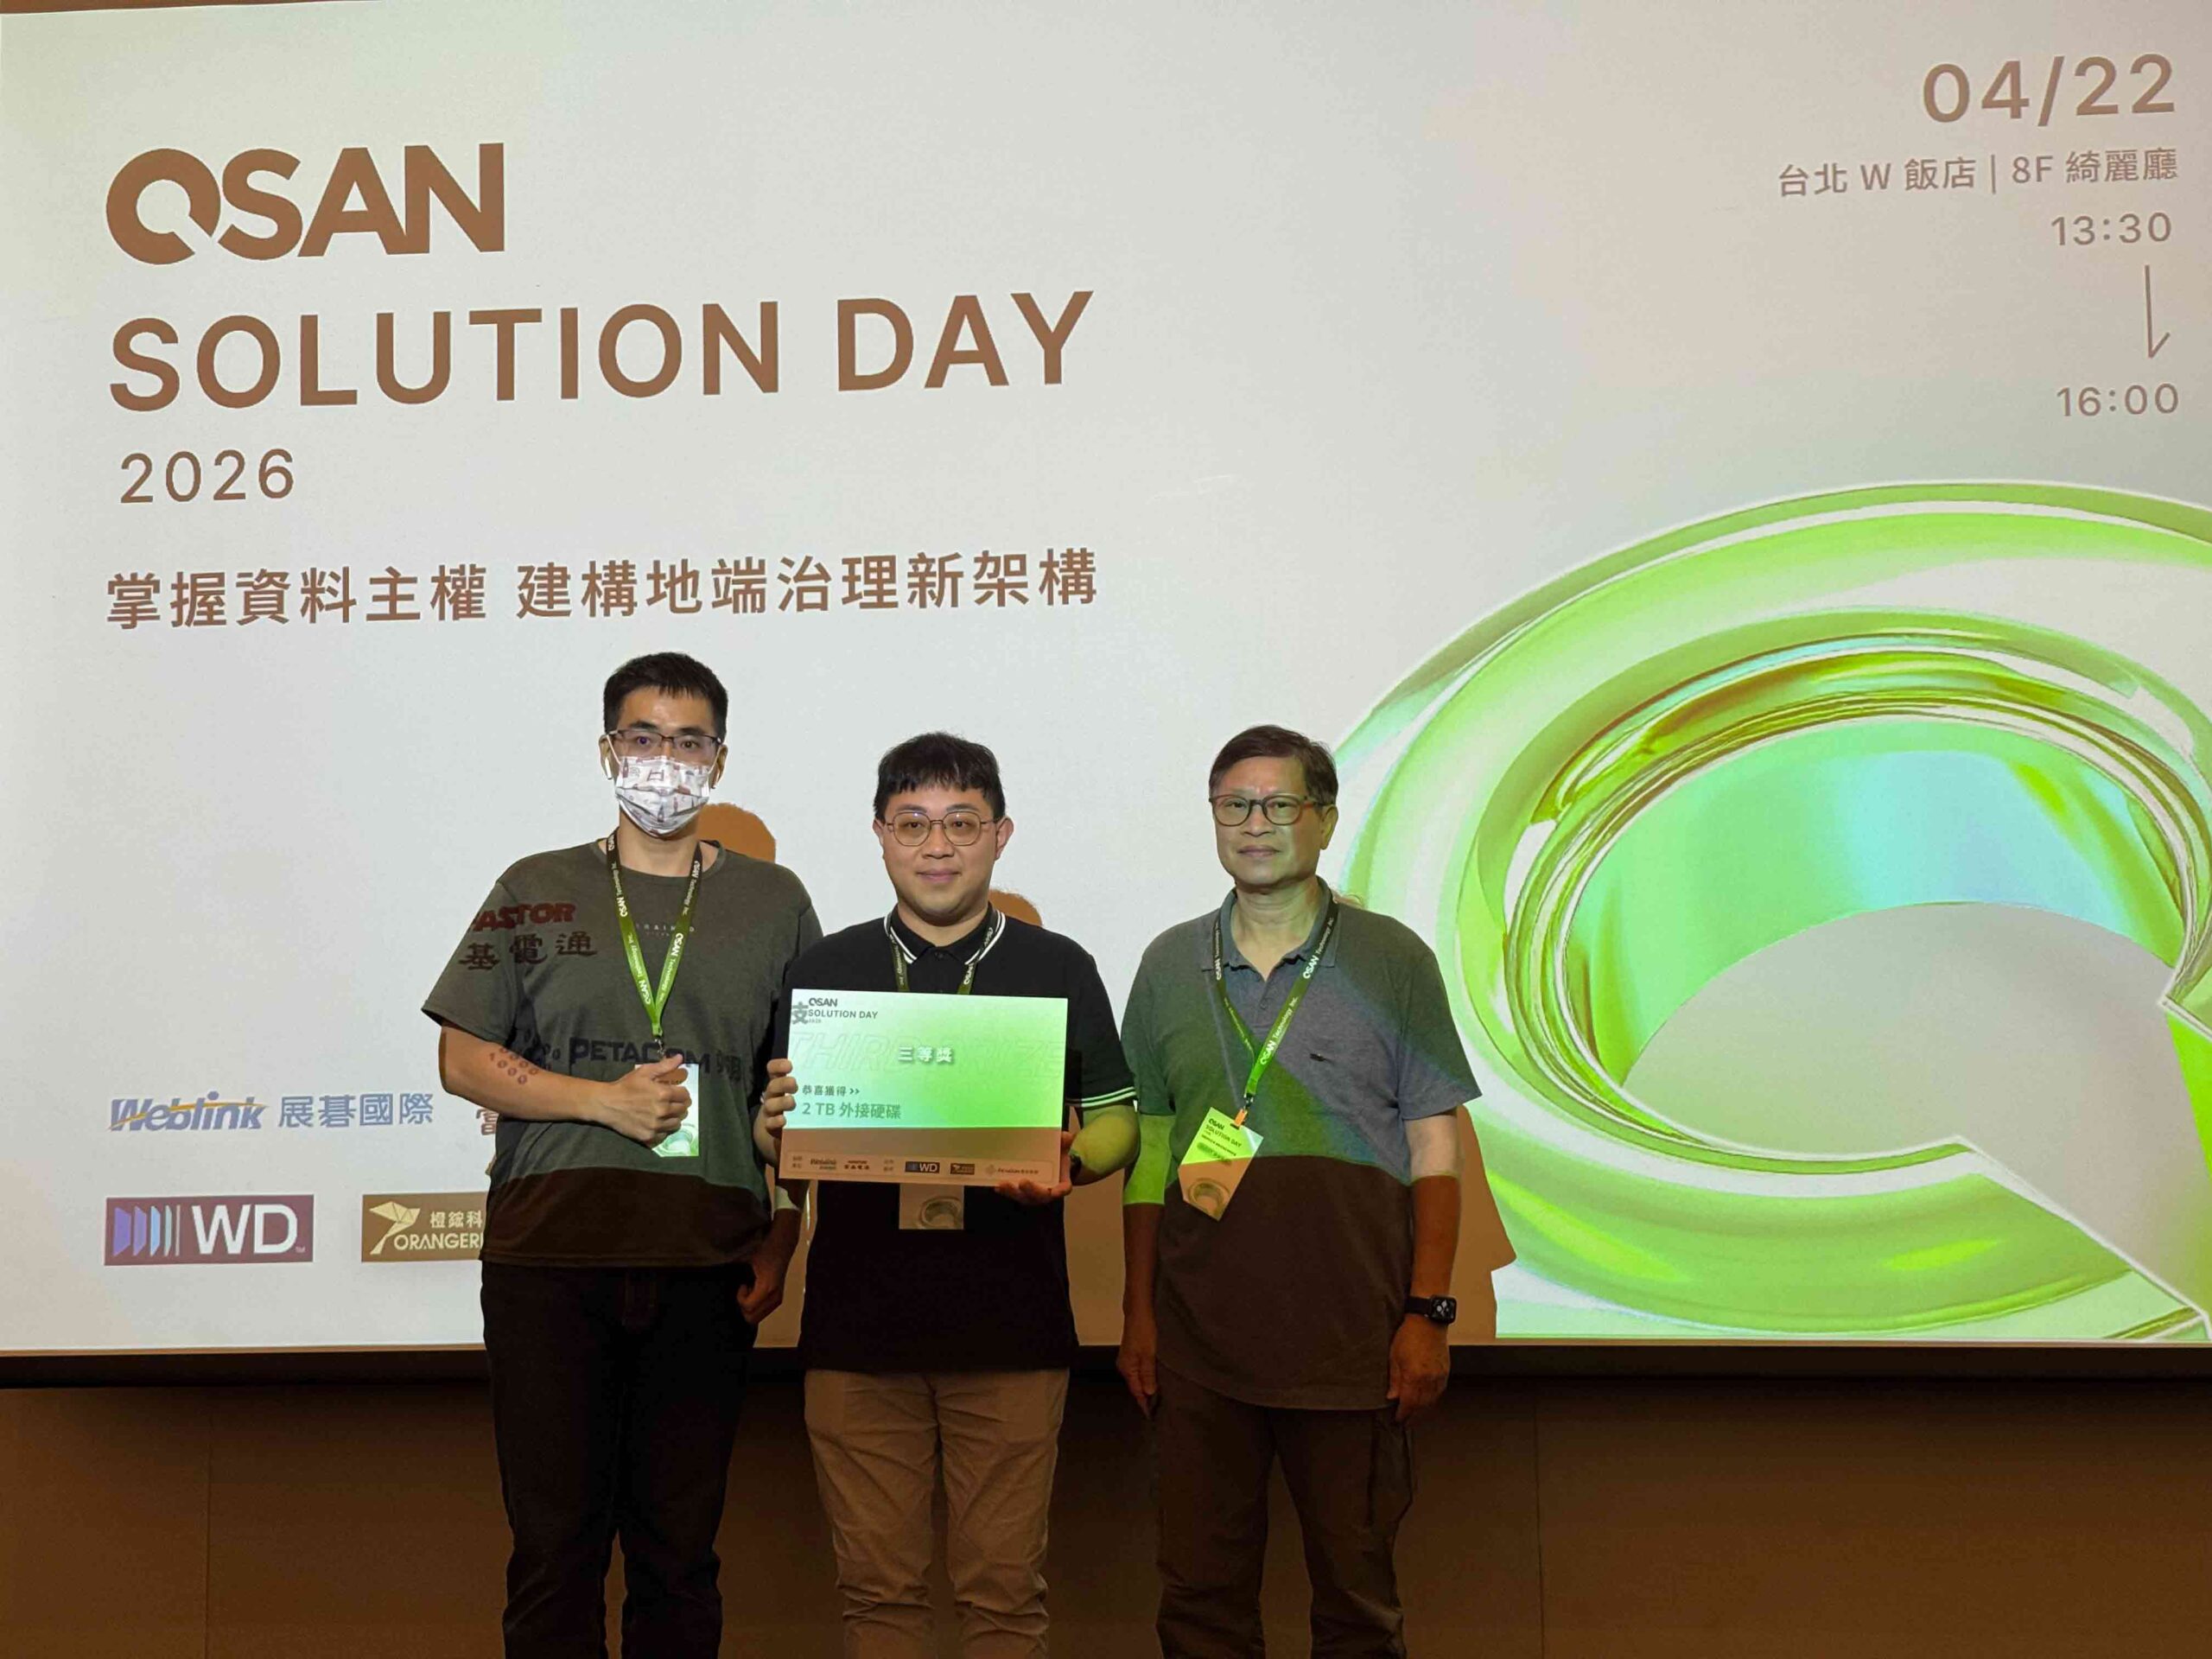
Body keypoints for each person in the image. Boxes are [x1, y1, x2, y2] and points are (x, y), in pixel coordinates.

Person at [424, 651, 818, 1658]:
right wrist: (601, 1102)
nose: (664, 761)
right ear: (608, 751)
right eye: (643, 737)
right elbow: (461, 1057)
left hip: (706, 1260)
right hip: (550, 1258)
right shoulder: (534, 887)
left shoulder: (775, 902)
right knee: (554, 1551)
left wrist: (783, 1231)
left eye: (688, 742)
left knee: (678, 1557)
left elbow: (795, 1100)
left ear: (718, 760)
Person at [1116, 724, 1514, 1658]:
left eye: (1279, 804)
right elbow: (1153, 1149)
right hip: (1200, 1345)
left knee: (1356, 1602)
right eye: (1234, 805)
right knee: (1200, 1601)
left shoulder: (1391, 959)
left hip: (1354, 1341)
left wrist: (1428, 1313)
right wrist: (1138, 1315)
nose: (1255, 824)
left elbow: (1434, 1146)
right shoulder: (1169, 963)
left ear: (1325, 820)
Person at [760, 732, 1139, 1657]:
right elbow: (781, 1145)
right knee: (876, 1597)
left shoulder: (1057, 965)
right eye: (913, 824)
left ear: (1000, 835)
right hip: (856, 1331)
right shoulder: (825, 971)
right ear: (880, 835)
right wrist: (773, 1129)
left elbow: (1120, 1120)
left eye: (962, 823)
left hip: (1012, 1328)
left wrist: (1076, 1162)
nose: (937, 846)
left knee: (1004, 1595)